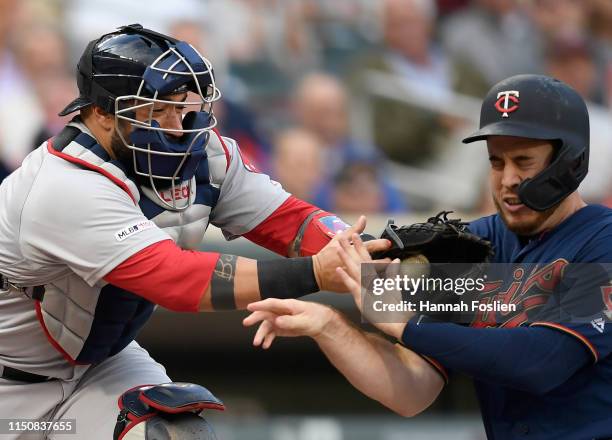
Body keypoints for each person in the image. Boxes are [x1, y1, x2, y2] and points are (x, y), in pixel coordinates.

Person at [0, 24, 389, 439]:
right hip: (11, 386)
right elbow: (179, 281)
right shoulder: (63, 184)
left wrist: (373, 251)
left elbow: (289, 221)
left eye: (180, 106)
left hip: (102, 365)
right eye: (153, 110)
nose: (175, 125)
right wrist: (315, 274)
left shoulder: (204, 153)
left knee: (176, 434)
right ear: (102, 115)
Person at [245, 74, 612, 439]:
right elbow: (411, 391)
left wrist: (403, 321)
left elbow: (541, 363)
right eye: (497, 162)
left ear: (568, 161)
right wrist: (330, 326)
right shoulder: (479, 244)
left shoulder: (603, 241)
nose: (507, 179)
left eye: (524, 161)